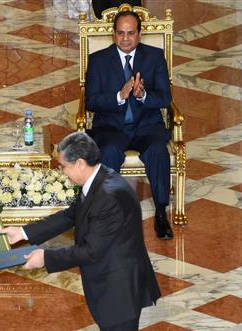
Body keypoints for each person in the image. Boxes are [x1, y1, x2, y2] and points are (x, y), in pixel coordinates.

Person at [0, 132, 161, 331]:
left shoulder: (108, 196)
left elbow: (90, 251)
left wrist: (45, 257)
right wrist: (23, 233)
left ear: (80, 163)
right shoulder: (98, 181)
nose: (61, 172)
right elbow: (70, 215)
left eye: (63, 166)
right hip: (110, 283)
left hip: (120, 289)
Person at [85, 10, 174, 239]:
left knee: (157, 151)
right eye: (121, 33)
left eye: (131, 33)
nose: (125, 39)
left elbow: (165, 98)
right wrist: (118, 97)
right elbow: (91, 102)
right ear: (113, 34)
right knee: (110, 151)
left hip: (146, 126)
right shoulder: (98, 60)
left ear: (140, 34)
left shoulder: (154, 57)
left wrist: (143, 95)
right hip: (111, 127)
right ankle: (107, 213)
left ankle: (161, 213)